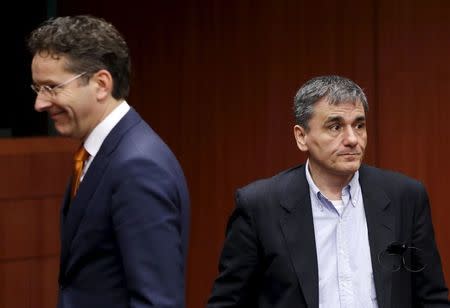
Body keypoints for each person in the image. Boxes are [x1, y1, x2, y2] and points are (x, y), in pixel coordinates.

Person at [207, 75, 449, 307]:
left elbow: (432, 297)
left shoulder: (405, 197)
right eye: (335, 127)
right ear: (301, 137)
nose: (353, 139)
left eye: (359, 125)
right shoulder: (259, 206)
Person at [28, 15, 189, 308]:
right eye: (37, 89)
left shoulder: (138, 166)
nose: (40, 103)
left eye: (51, 88)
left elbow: (157, 301)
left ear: (101, 83)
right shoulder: (99, 153)